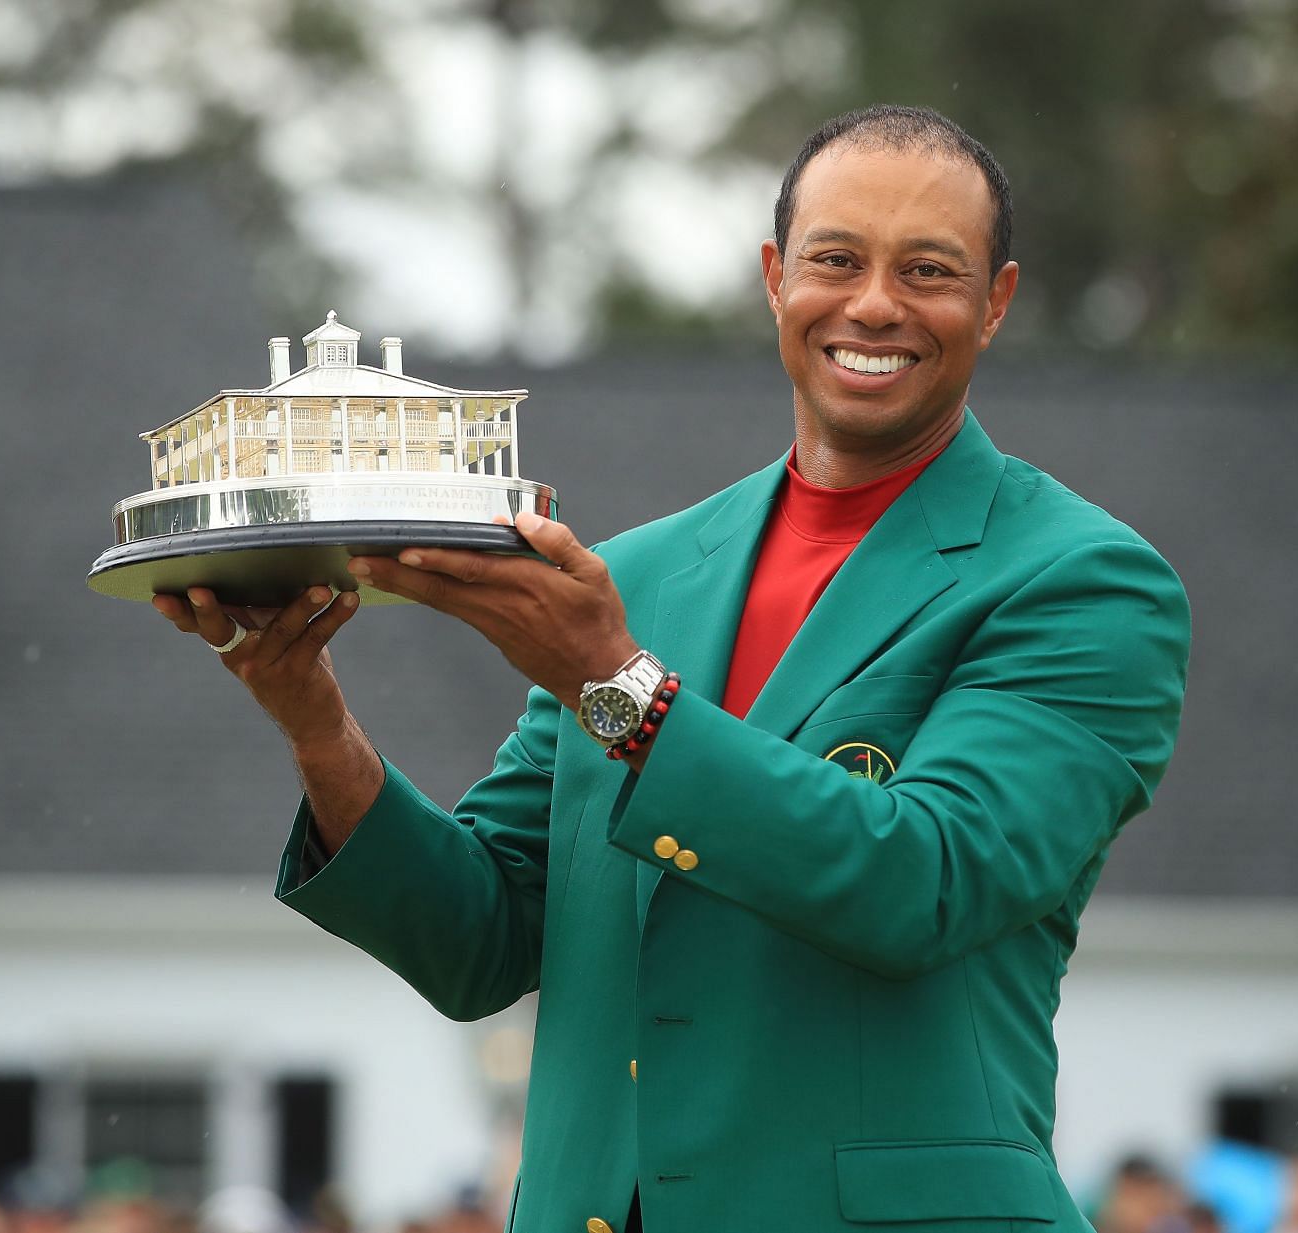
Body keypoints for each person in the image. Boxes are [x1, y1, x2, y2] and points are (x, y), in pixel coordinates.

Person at [153, 104, 1192, 1232]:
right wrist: (315, 723)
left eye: (929, 270)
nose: (875, 304)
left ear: (995, 302)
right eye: (835, 260)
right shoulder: (639, 576)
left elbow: (926, 883)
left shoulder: (1083, 582)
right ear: (773, 279)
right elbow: (480, 942)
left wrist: (620, 689)